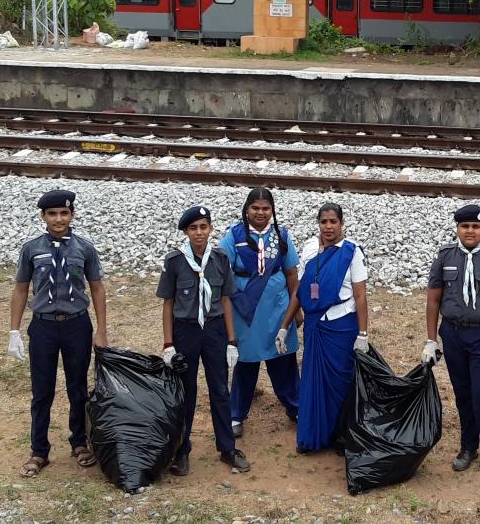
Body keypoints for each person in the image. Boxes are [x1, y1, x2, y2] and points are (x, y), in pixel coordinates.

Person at [8, 188, 109, 478]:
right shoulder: (31, 249)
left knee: (78, 389)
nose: (58, 219)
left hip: (77, 324)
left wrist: (101, 330)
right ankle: (39, 450)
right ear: (43, 217)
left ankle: (79, 442)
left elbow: (97, 288)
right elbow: (20, 289)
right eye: (52, 214)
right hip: (44, 326)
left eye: (64, 213)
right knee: (42, 392)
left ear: (72, 215)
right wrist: (14, 330)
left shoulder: (84, 249)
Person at [423, 204, 480, 473]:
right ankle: (468, 446)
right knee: (463, 393)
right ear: (457, 228)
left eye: (476, 227)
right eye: (465, 226)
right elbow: (433, 299)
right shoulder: (445, 256)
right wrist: (431, 340)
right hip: (453, 333)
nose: (470, 231)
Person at [158, 205, 250, 476]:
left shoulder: (220, 258)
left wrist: (232, 340)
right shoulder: (175, 261)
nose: (199, 233)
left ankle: (227, 448)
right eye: (193, 228)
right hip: (185, 331)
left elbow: (225, 299)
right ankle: (182, 450)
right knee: (186, 392)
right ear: (186, 232)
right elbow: (168, 303)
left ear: (210, 229)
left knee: (220, 390)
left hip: (214, 330)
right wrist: (168, 343)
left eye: (204, 227)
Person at [280, 202, 369, 453]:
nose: (328, 227)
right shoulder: (309, 249)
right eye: (323, 222)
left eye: (333, 222)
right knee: (313, 379)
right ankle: (314, 435)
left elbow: (361, 296)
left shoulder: (352, 252)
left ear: (342, 224)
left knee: (341, 380)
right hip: (315, 325)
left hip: (342, 324)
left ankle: (341, 434)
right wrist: (284, 325)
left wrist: (363, 334)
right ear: (318, 223)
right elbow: (300, 289)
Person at [218, 187, 301, 439]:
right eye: (255, 208)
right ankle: (236, 413)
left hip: (277, 308)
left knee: (283, 358)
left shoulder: (281, 235)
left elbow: (291, 275)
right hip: (245, 310)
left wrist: (296, 311)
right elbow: (223, 275)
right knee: (245, 361)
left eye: (265, 209)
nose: (260, 213)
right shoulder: (233, 237)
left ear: (272, 210)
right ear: (247, 209)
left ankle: (295, 407)